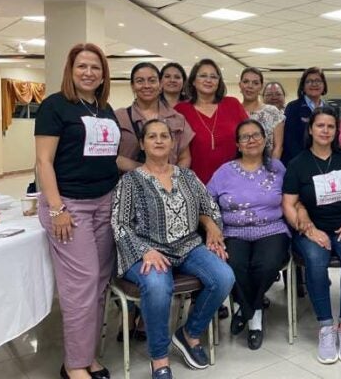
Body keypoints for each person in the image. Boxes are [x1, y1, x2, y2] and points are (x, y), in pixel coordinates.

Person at [112, 119, 235, 379]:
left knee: (224, 277)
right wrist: (144, 250)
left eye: (164, 136)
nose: (159, 140)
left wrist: (213, 227)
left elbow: (209, 207)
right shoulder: (131, 181)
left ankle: (188, 334)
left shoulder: (187, 176)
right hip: (147, 249)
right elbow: (119, 223)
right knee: (157, 285)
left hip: (188, 246)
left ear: (172, 143)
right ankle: (159, 358)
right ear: (143, 144)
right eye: (152, 136)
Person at [35, 43, 117, 379]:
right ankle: (73, 365)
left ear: (103, 74)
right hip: (69, 207)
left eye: (95, 67)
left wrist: (148, 165)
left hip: (104, 203)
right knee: (80, 286)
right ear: (71, 70)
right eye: (82, 66)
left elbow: (108, 157)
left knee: (98, 284)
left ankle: (88, 357)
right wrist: (57, 209)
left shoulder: (104, 108)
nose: (88, 73)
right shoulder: (55, 106)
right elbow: (43, 162)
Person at [282, 106, 341, 364]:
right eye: (320, 125)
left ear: (336, 129)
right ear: (311, 129)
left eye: (331, 126)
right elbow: (288, 203)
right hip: (312, 228)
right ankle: (326, 328)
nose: (325, 130)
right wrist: (308, 228)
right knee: (316, 262)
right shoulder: (298, 163)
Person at [206, 120, 290, 350]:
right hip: (234, 231)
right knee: (235, 264)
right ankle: (254, 313)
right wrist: (211, 227)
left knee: (266, 264)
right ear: (238, 144)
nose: (251, 140)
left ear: (265, 140)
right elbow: (205, 202)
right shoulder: (224, 171)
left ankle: (247, 311)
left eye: (256, 135)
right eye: (245, 137)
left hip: (272, 229)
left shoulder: (277, 168)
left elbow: (292, 199)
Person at [174, 58, 247, 183]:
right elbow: (175, 150)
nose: (208, 80)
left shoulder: (232, 104)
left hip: (234, 183)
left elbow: (248, 138)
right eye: (203, 76)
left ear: (219, 82)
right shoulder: (181, 110)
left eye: (213, 77)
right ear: (193, 81)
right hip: (195, 183)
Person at [116, 62, 194, 172]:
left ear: (160, 85)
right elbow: (113, 156)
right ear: (132, 86)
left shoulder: (177, 119)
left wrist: (172, 178)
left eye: (152, 80)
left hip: (168, 185)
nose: (146, 86)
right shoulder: (119, 117)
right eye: (140, 81)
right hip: (131, 184)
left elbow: (184, 157)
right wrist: (148, 172)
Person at [282, 67, 339, 164]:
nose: (314, 84)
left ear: (324, 85)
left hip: (326, 161)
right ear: (303, 86)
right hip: (299, 162)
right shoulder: (293, 107)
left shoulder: (332, 109)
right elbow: (290, 140)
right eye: (309, 81)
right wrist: (305, 161)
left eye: (318, 81)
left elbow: (335, 137)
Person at [239, 67, 285, 159]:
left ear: (261, 87)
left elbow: (278, 147)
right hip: (236, 168)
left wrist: (271, 170)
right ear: (240, 85)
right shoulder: (232, 110)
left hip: (267, 168)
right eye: (246, 82)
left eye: (255, 83)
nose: (250, 86)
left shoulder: (272, 112)